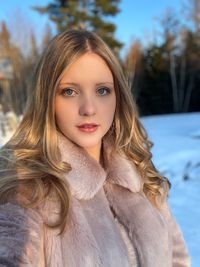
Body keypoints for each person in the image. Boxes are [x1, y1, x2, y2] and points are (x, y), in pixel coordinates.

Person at [0, 29, 191, 267]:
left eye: (102, 90)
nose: (89, 108)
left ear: (117, 96)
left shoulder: (139, 174)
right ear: (47, 99)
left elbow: (178, 260)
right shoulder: (27, 190)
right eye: (69, 91)